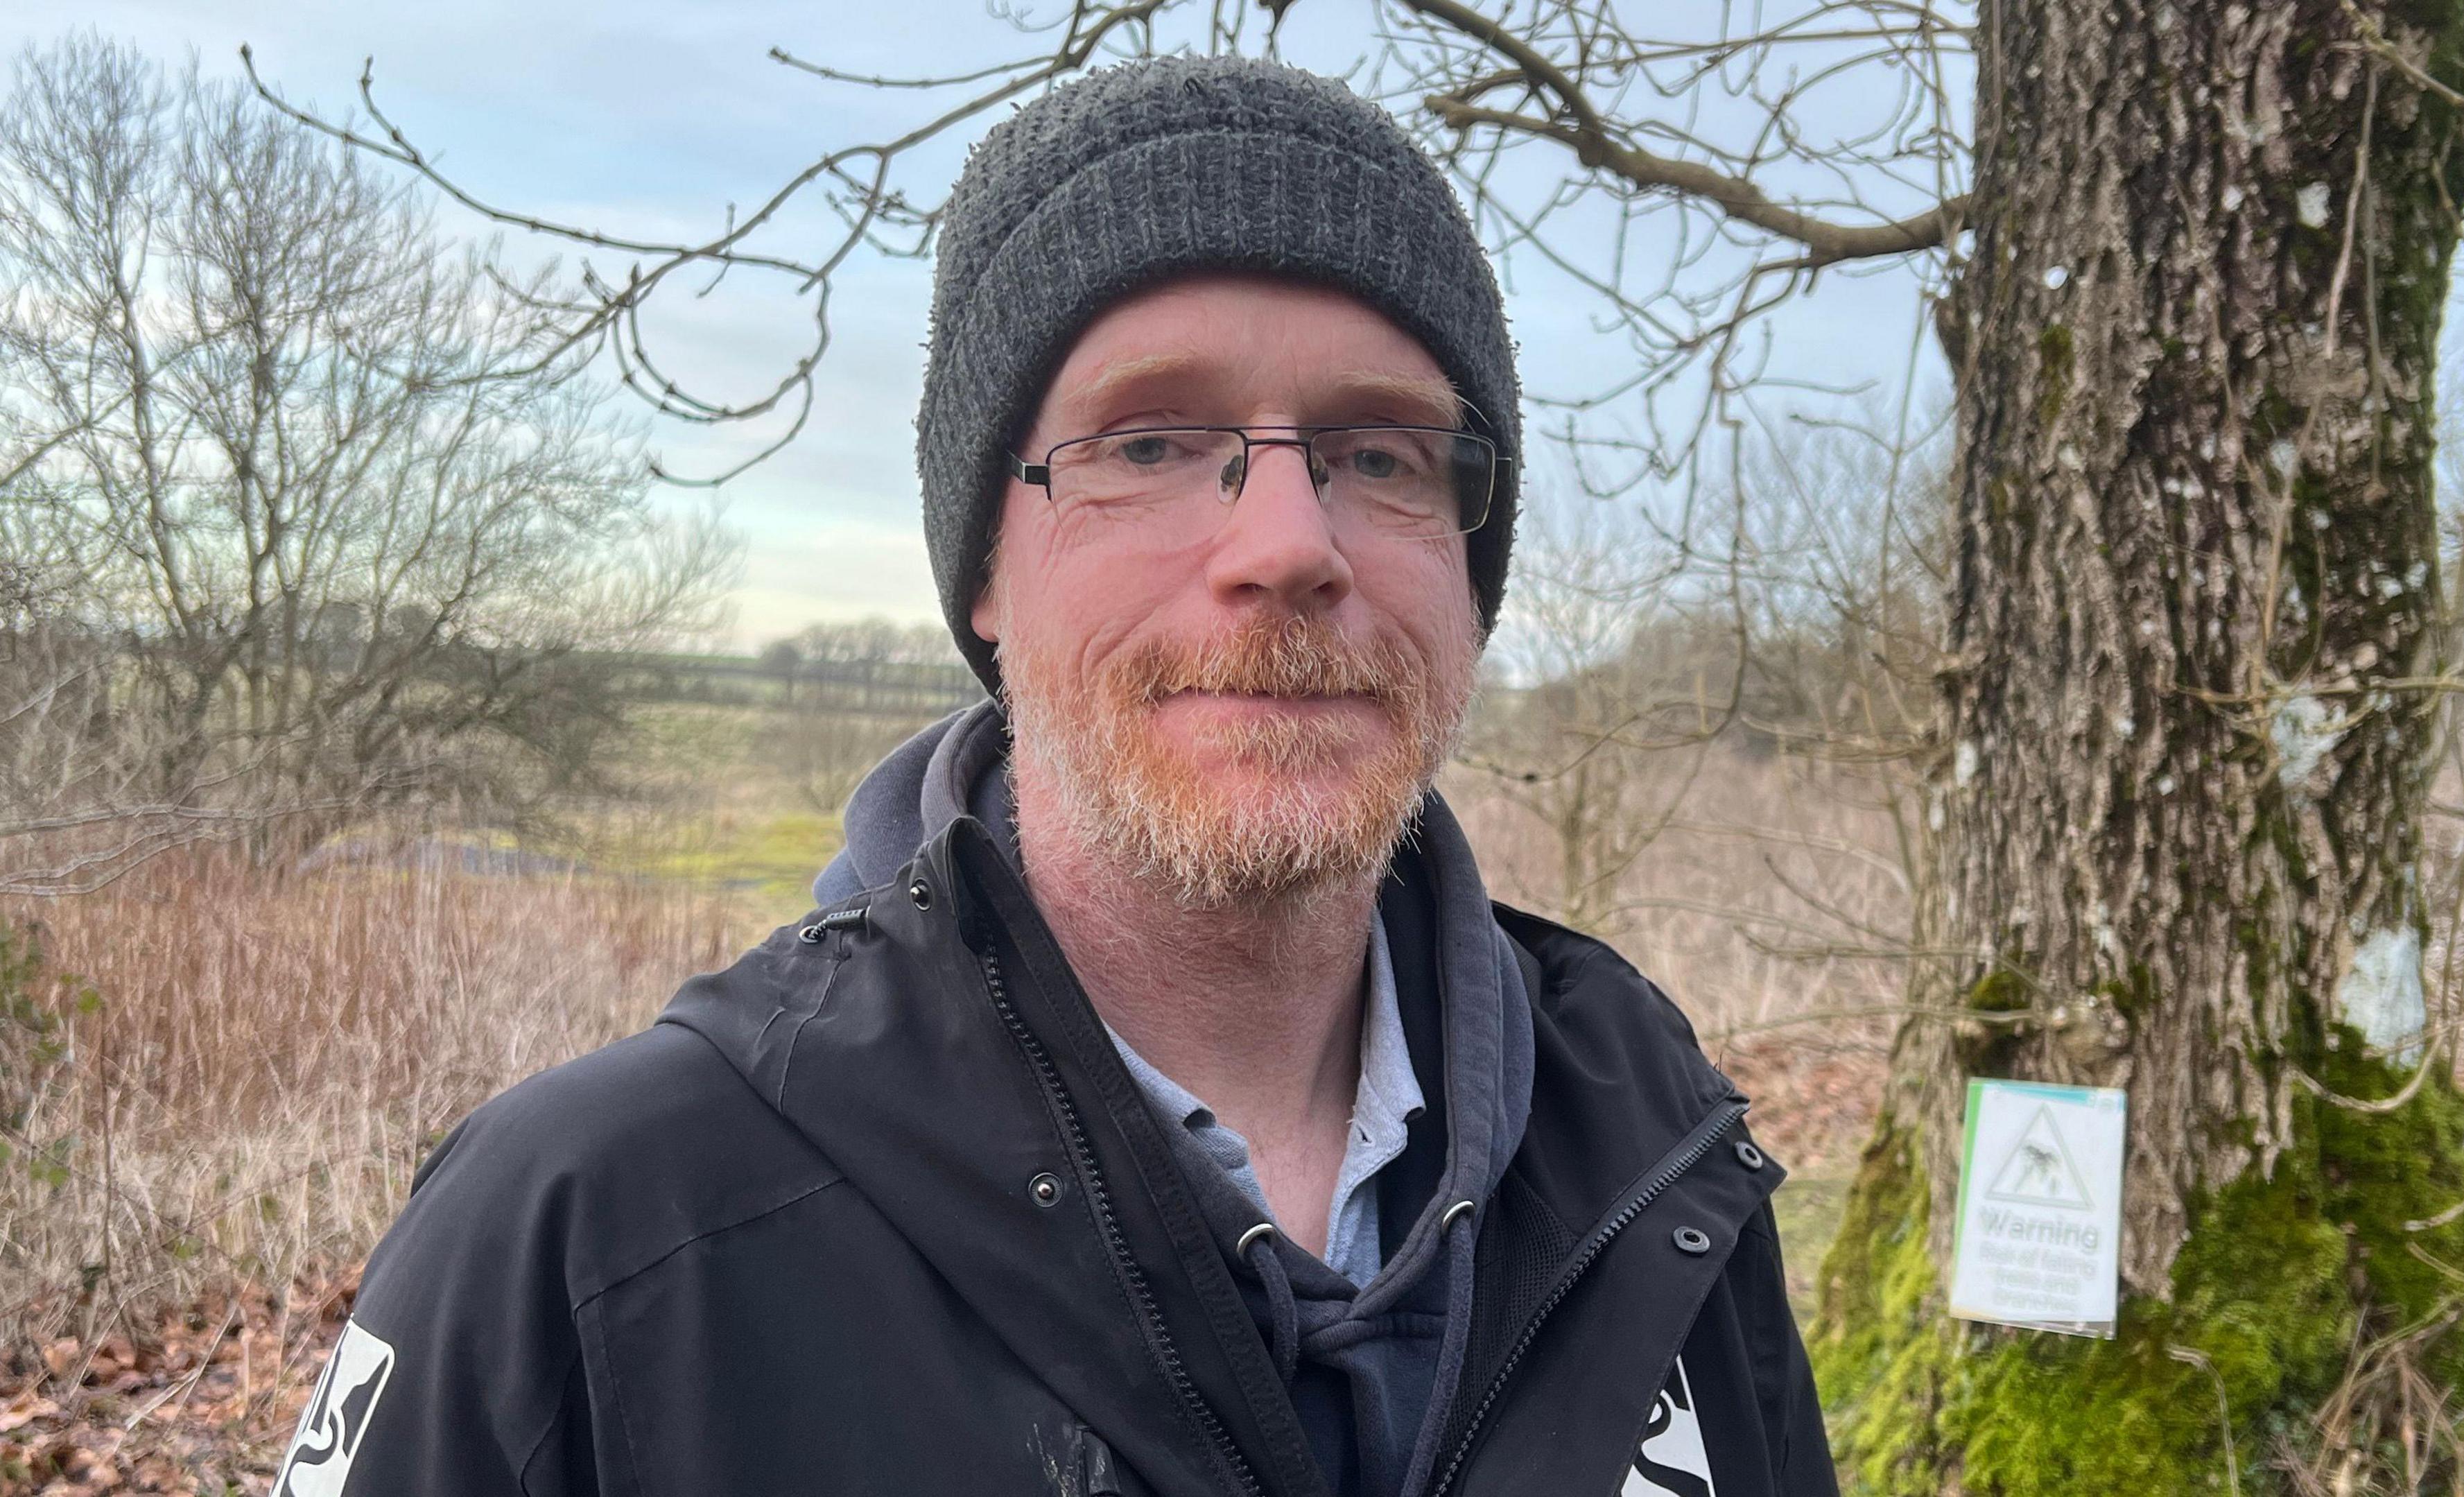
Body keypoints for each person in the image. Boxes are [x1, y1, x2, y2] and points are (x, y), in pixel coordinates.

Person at [272, 55, 1837, 1497]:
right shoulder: (598, 1240)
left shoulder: (1651, 1155)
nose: (1290, 543)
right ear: (983, 579)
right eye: (1150, 442)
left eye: (1381, 453)